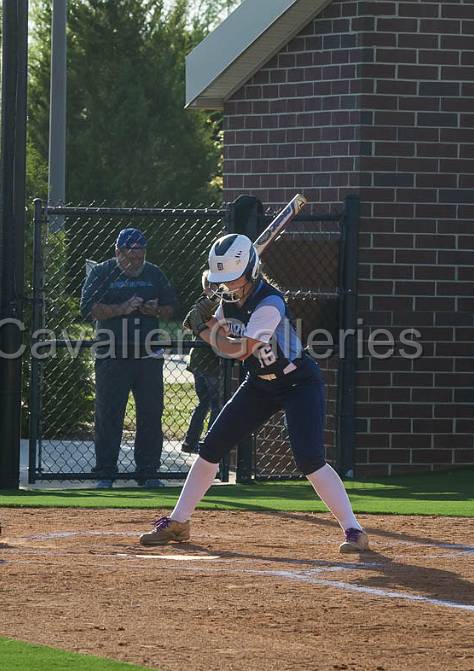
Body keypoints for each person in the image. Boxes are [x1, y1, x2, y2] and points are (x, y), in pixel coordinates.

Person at [138, 233, 369, 553]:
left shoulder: (270, 303)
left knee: (309, 459)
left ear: (251, 271)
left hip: (297, 382)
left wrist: (203, 329)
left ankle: (354, 530)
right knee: (211, 446)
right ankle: (179, 522)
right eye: (224, 280)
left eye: (234, 279)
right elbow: (220, 330)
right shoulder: (228, 300)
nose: (228, 286)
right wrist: (206, 319)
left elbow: (240, 350)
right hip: (260, 384)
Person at [80, 227, 176, 489]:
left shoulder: (154, 273)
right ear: (117, 252)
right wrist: (122, 308)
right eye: (130, 256)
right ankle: (105, 473)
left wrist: (153, 309)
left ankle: (147, 472)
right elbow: (88, 309)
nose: (135, 261)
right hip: (112, 354)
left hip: (148, 355)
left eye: (140, 256)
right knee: (109, 414)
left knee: (151, 414)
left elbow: (171, 309)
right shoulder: (102, 272)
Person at [181, 271, 222, 454]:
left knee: (205, 402)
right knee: (214, 403)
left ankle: (191, 441)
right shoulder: (204, 306)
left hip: (201, 361)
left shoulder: (204, 305)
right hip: (206, 361)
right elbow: (189, 323)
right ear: (207, 288)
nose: (219, 290)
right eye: (215, 287)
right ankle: (209, 442)